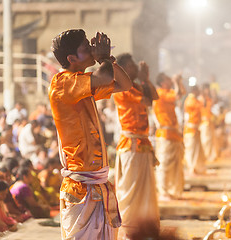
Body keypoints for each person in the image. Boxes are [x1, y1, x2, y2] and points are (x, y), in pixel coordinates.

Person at [49, 29, 132, 239]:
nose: (93, 50)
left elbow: (125, 84)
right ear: (71, 58)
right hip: (81, 186)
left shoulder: (82, 82)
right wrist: (102, 58)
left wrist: (108, 60)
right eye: (87, 47)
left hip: (96, 181)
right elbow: (104, 76)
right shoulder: (62, 83)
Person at [114, 53, 160, 239]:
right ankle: (130, 229)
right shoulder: (124, 88)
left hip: (142, 144)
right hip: (131, 145)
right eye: (132, 65)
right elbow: (148, 101)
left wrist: (146, 80)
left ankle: (143, 226)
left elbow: (154, 97)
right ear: (124, 68)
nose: (136, 68)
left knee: (145, 191)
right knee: (131, 191)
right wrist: (143, 80)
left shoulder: (137, 86)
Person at [153, 73, 185, 200]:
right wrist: (176, 81)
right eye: (168, 79)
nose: (170, 80)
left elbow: (181, 93)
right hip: (165, 134)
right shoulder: (160, 93)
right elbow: (177, 95)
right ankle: (163, 191)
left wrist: (178, 82)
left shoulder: (167, 91)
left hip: (173, 133)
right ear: (162, 83)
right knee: (165, 164)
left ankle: (172, 190)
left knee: (176, 164)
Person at [183, 85, 206, 175]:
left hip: (195, 129)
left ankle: (195, 168)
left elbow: (203, 105)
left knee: (196, 150)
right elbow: (199, 106)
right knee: (191, 150)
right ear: (194, 91)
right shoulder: (190, 101)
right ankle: (191, 168)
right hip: (190, 129)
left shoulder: (196, 100)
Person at [199, 83, 218, 162]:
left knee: (211, 140)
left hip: (209, 121)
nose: (208, 90)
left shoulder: (208, 99)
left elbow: (211, 107)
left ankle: (211, 156)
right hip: (203, 122)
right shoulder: (201, 99)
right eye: (206, 89)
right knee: (205, 140)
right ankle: (205, 156)